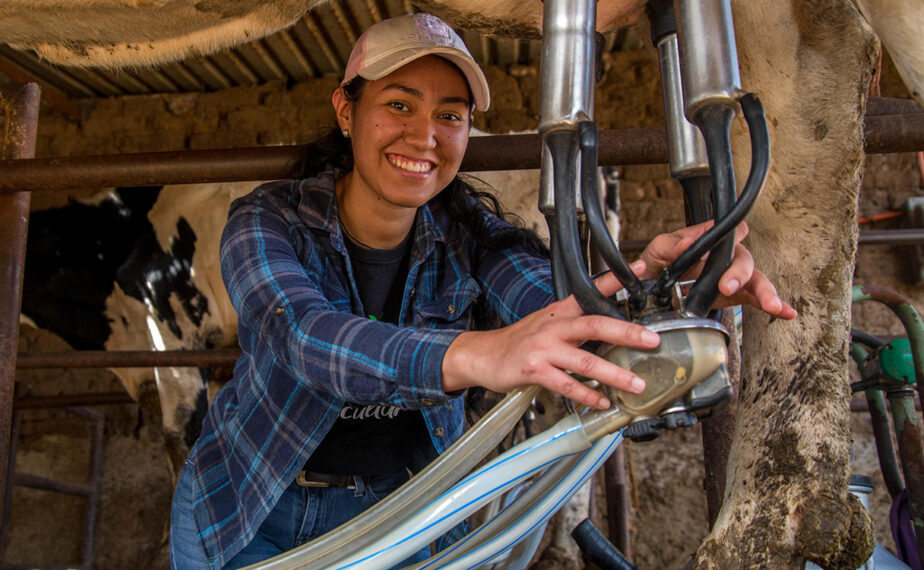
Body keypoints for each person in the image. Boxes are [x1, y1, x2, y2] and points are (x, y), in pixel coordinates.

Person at [169, 12, 796, 570]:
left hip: (402, 512)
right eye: (399, 105)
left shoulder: (472, 238)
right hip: (249, 503)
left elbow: (553, 303)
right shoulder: (266, 221)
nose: (425, 137)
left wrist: (657, 286)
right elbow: (302, 335)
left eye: (450, 116)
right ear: (345, 109)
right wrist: (477, 354)